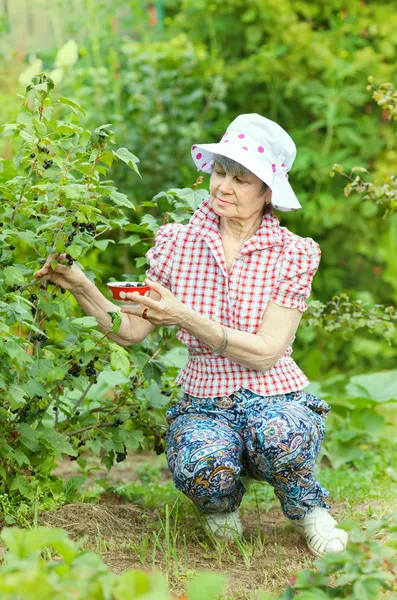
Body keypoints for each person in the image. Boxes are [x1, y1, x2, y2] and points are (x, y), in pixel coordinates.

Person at [34, 114, 348, 558]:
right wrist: (81, 284)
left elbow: (266, 352)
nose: (223, 186)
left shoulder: (293, 252)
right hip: (205, 400)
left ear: (267, 192)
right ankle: (219, 507)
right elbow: (129, 331)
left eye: (241, 179)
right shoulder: (177, 244)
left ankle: (310, 510)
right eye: (220, 171)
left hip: (275, 396)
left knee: (282, 436)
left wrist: (184, 315)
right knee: (201, 462)